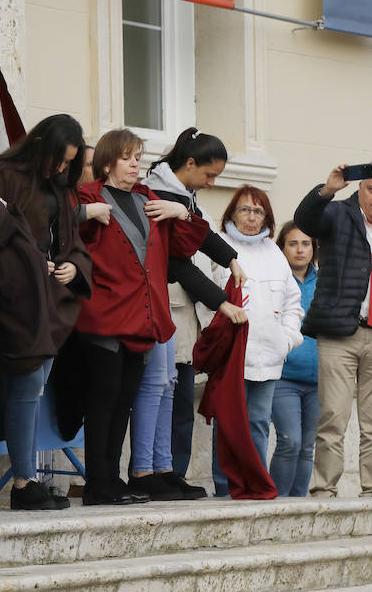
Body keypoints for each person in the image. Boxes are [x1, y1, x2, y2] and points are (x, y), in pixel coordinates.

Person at [76, 128, 210, 506]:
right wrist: (85, 212)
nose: (136, 163)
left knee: (123, 401)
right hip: (104, 317)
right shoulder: (89, 195)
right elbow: (60, 226)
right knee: (102, 402)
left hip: (142, 319)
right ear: (107, 162)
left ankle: (112, 479)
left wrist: (180, 210)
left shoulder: (146, 197)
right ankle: (97, 482)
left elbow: (184, 246)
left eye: (138, 156)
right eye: (127, 157)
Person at [0, 114, 92, 510]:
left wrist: (74, 266)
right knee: (27, 385)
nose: (61, 168)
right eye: (58, 159)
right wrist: (27, 262)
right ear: (40, 144)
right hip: (14, 295)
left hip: (49, 296)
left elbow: (70, 239)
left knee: (36, 384)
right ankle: (24, 481)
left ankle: (27, 480)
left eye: (68, 163)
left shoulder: (58, 186)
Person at [294, 160, 372, 498]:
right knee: (333, 416)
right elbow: (305, 220)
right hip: (340, 332)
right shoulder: (337, 215)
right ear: (361, 188)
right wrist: (328, 189)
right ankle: (323, 490)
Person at [141, 127, 247, 489]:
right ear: (189, 163)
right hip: (167, 308)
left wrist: (231, 259)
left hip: (183, 312)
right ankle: (162, 472)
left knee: (180, 397)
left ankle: (173, 472)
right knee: (168, 397)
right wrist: (222, 303)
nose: (211, 183)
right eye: (209, 174)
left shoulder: (181, 195)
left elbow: (198, 231)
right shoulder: (160, 194)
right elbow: (178, 261)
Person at [210, 187, 303, 496]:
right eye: (244, 210)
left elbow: (292, 303)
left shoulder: (274, 253)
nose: (251, 217)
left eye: (258, 211)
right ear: (231, 213)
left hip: (268, 355)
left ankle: (254, 485)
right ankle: (226, 488)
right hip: (232, 354)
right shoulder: (219, 246)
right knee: (228, 423)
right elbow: (206, 297)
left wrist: (287, 339)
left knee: (259, 422)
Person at [271, 221, 320, 497]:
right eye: (293, 243)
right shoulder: (277, 281)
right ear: (282, 248)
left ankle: (298, 505)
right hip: (284, 378)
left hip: (318, 380)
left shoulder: (325, 282)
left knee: (307, 446)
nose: (300, 250)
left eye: (306, 244)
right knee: (290, 440)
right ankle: (275, 505)